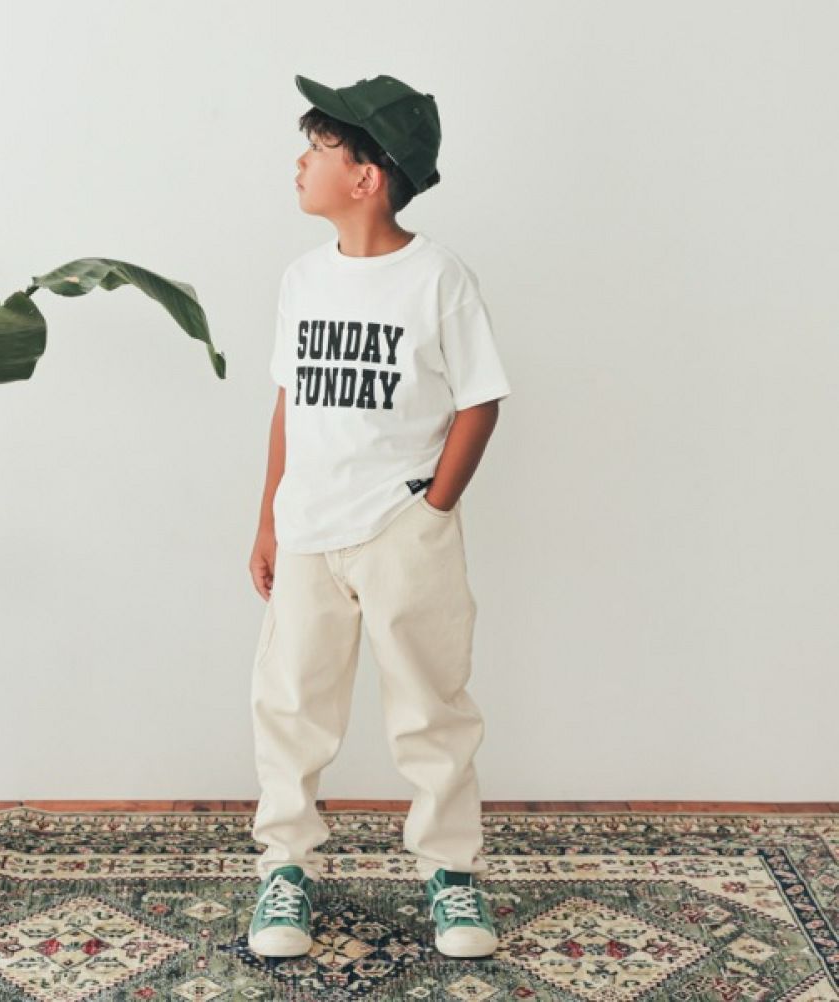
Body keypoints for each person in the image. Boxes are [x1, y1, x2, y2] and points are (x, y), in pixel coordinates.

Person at [246, 73, 511, 961]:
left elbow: (480, 399)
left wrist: (433, 509)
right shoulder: (301, 279)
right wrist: (268, 520)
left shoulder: (437, 279)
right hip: (308, 530)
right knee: (290, 703)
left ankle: (451, 871)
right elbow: (289, 403)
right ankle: (285, 867)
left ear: (367, 177)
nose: (299, 163)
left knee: (431, 706)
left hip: (403, 530)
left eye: (318, 150)